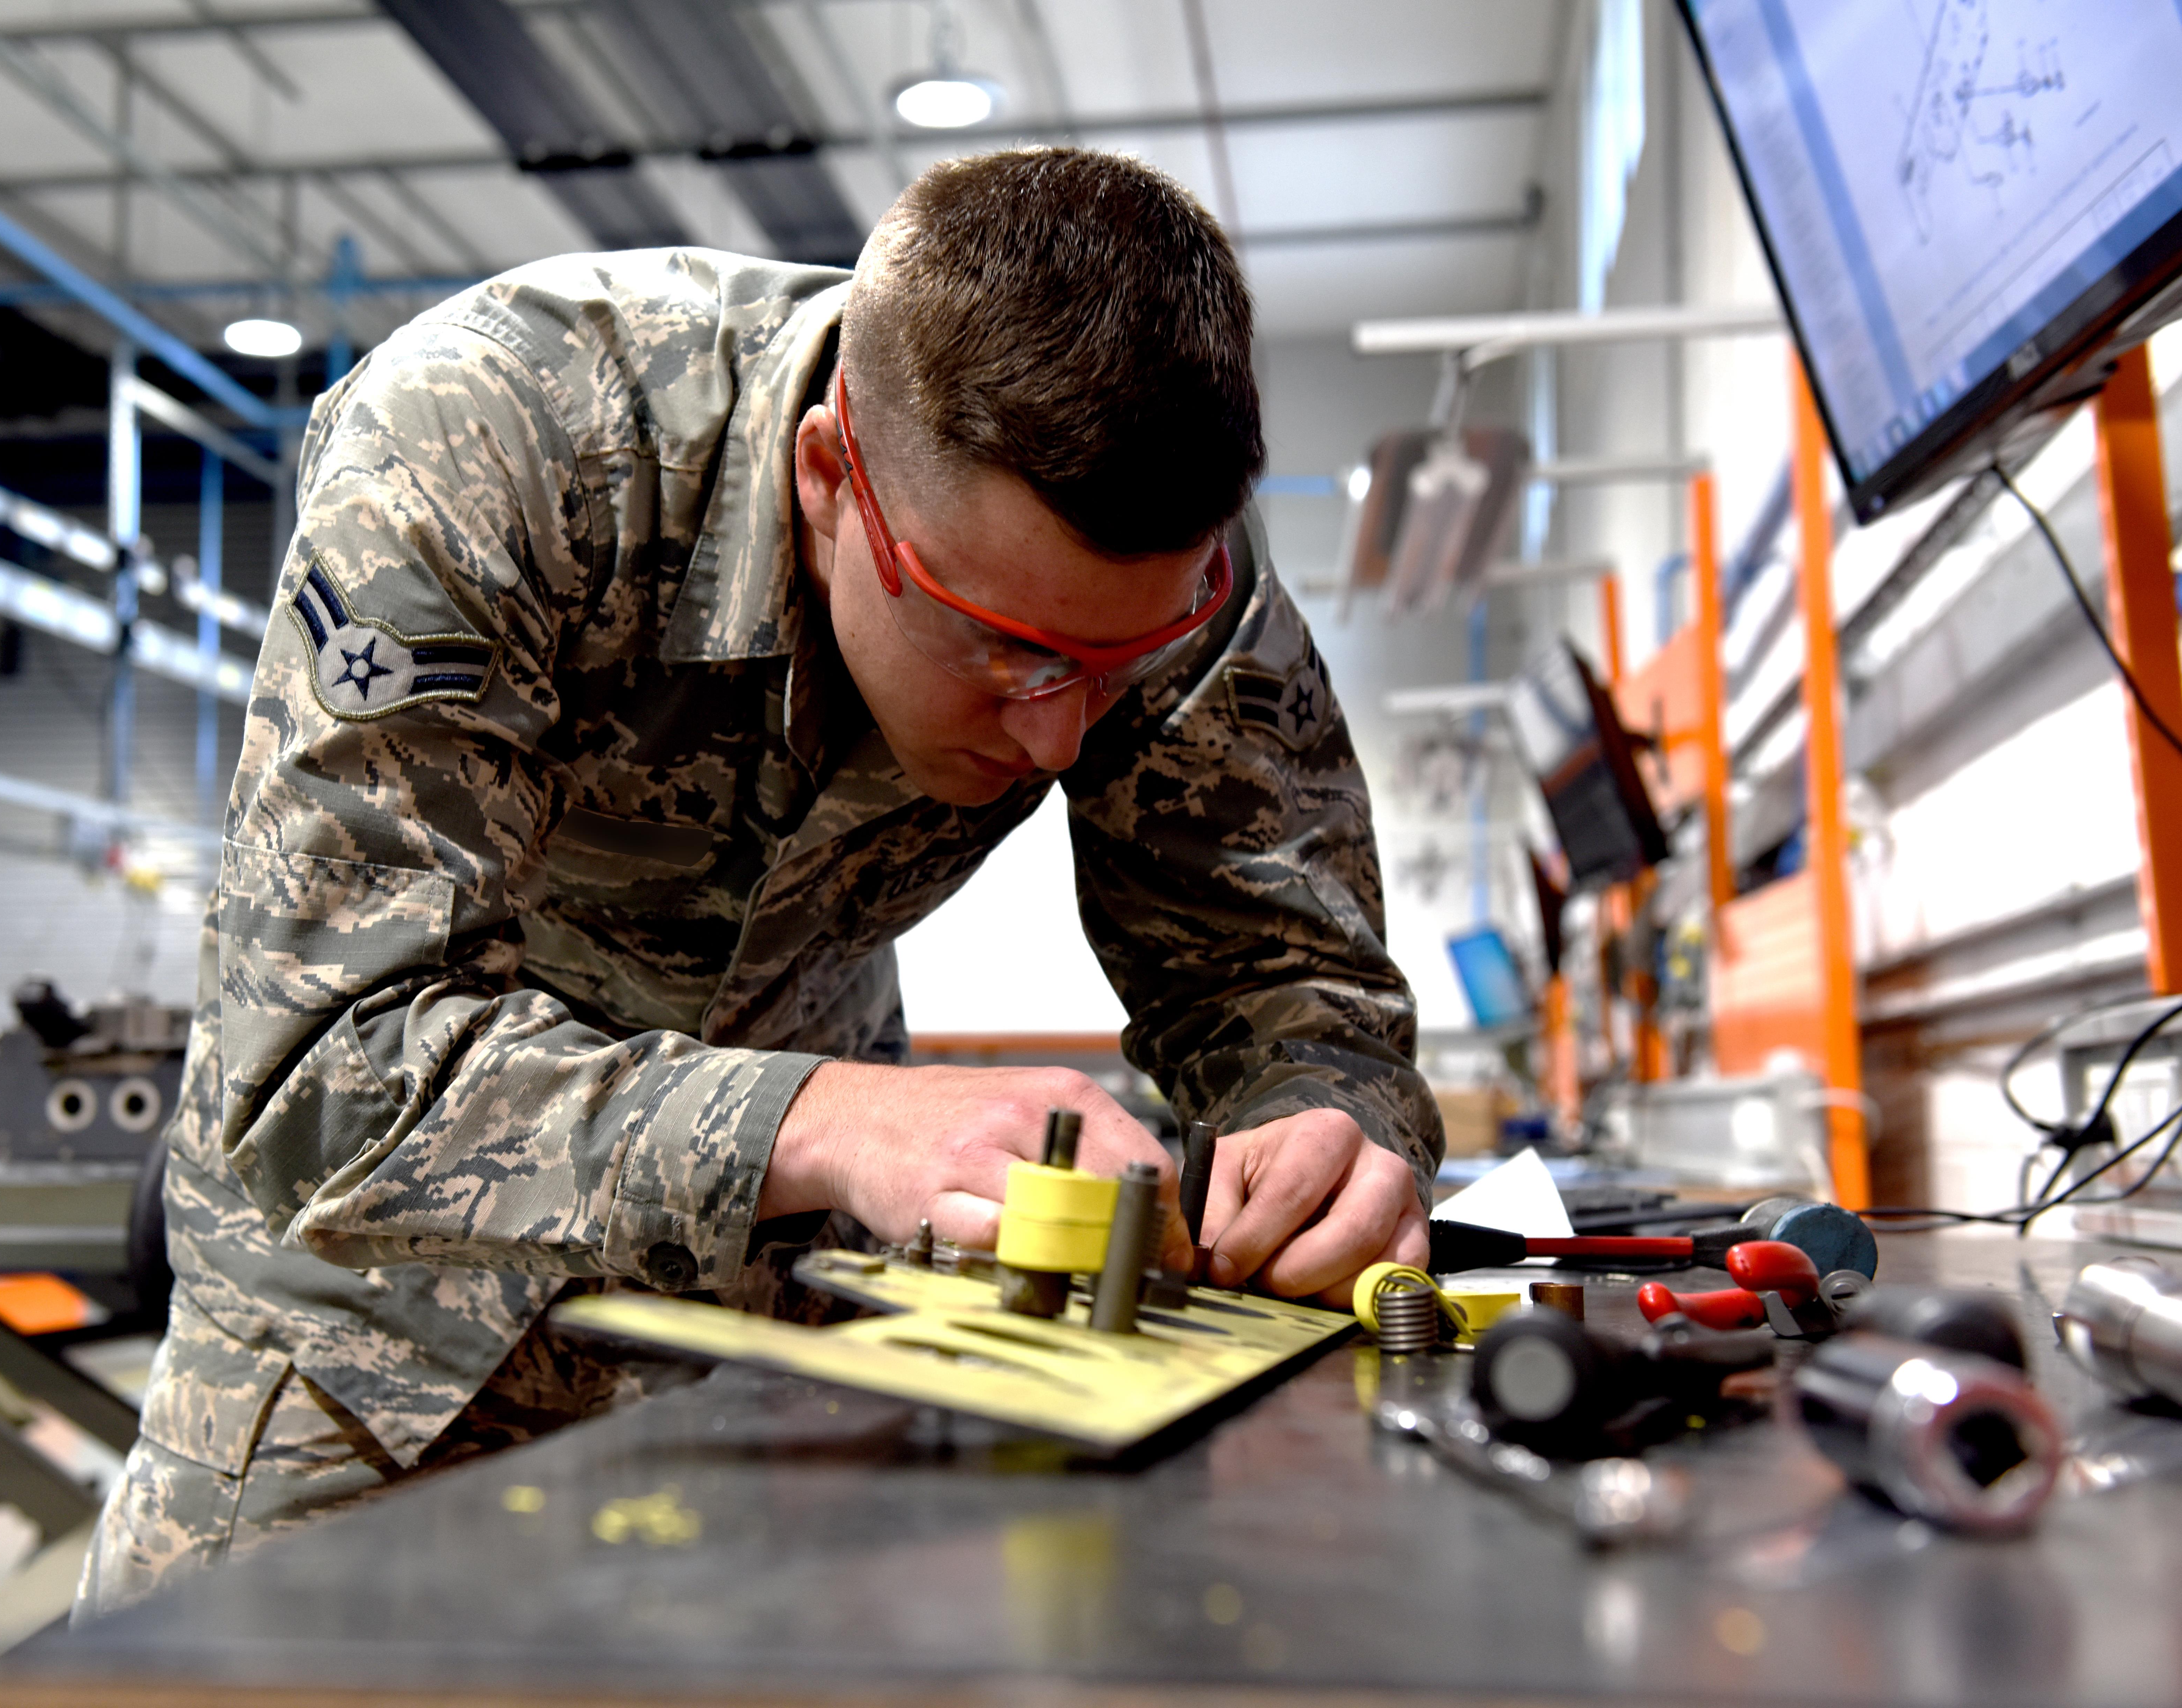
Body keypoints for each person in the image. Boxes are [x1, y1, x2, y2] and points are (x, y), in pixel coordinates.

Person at [79, 146, 1440, 1612]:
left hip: (779, 1344)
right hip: (375, 1342)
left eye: (1117, 669)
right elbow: (318, 1067)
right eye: (1007, 653)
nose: (1059, 737)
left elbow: (1283, 980)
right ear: (829, 477)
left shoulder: (1170, 583)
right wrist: (822, 1118)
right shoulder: (493, 441)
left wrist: (1326, 1126)